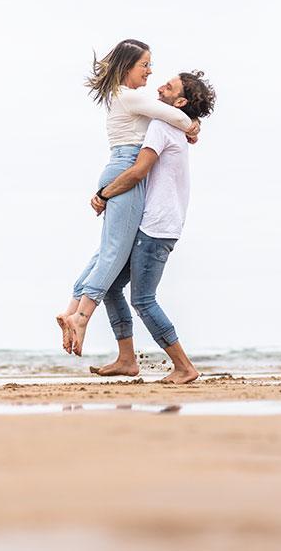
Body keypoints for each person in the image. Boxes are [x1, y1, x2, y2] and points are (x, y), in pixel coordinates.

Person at [56, 40, 199, 356]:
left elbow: (169, 114)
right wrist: (193, 124)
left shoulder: (126, 98)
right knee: (113, 253)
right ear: (127, 67)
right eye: (145, 64)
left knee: (105, 251)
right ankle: (81, 318)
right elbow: (177, 118)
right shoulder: (130, 96)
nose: (150, 71)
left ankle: (72, 310)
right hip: (127, 167)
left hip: (117, 164)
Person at [86, 70, 216, 383]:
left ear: (180, 101)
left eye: (168, 87)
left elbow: (138, 171)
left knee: (143, 299)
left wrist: (104, 194)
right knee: (113, 287)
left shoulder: (160, 126)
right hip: (162, 223)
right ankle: (127, 359)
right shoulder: (172, 125)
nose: (159, 86)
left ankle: (184, 367)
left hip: (156, 226)